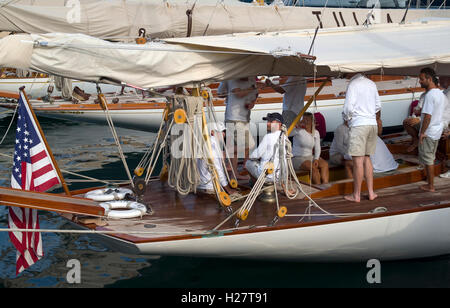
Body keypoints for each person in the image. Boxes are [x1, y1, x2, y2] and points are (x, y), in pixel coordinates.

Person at [342, 73, 381, 203]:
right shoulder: (372, 83)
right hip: (372, 124)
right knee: (367, 158)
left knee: (358, 160)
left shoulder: (353, 85)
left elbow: (348, 107)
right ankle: (371, 192)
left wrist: (347, 119)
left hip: (359, 124)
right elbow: (378, 106)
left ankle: (356, 195)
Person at [217, 77, 260, 180]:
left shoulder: (252, 81)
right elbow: (237, 93)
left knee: (235, 149)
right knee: (250, 144)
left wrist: (252, 103)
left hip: (244, 118)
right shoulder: (232, 78)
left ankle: (234, 175)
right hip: (233, 117)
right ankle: (222, 153)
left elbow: (255, 96)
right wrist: (252, 88)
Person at [330, 118, 398, 178]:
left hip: (379, 172)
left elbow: (352, 157)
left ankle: (351, 187)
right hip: (393, 167)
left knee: (349, 163)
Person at [416, 68, 446, 192]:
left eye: (422, 79)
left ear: (429, 79)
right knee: (431, 157)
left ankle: (431, 186)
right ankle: (430, 182)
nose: (420, 82)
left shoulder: (430, 95)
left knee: (428, 159)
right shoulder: (441, 94)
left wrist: (422, 133)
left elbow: (427, 116)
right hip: (437, 130)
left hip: (429, 132)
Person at [245, 113, 287, 184]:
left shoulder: (268, 137)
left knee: (248, 163)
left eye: (271, 122)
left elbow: (256, 155)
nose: (268, 124)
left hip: (268, 176)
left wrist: (248, 157)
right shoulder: (285, 138)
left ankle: (257, 187)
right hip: (281, 176)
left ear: (279, 124)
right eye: (268, 121)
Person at [197, 121, 236, 195]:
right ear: (212, 132)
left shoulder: (205, 143)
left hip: (201, 186)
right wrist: (228, 189)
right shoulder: (213, 148)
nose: (224, 134)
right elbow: (218, 170)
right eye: (221, 132)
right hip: (210, 188)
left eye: (224, 131)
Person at [292, 112, 329, 185]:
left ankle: (325, 186)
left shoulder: (316, 133)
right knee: (313, 168)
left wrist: (316, 159)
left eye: (307, 120)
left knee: (325, 164)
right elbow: (287, 133)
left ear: (312, 122)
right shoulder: (297, 131)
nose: (305, 121)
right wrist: (296, 125)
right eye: (304, 119)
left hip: (310, 157)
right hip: (297, 158)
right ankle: (318, 189)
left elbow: (317, 148)